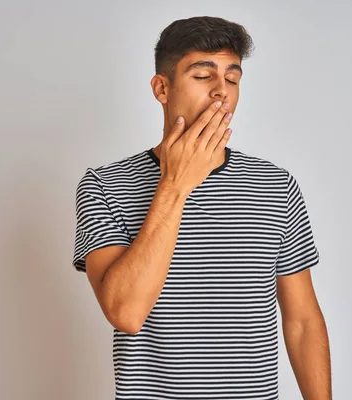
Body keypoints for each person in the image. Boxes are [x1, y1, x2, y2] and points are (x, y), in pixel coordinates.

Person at [72, 15, 332, 400]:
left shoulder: (275, 185)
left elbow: (302, 321)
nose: (220, 92)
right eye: (202, 75)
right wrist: (175, 184)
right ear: (162, 88)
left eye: (232, 78)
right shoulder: (105, 186)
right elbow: (125, 313)